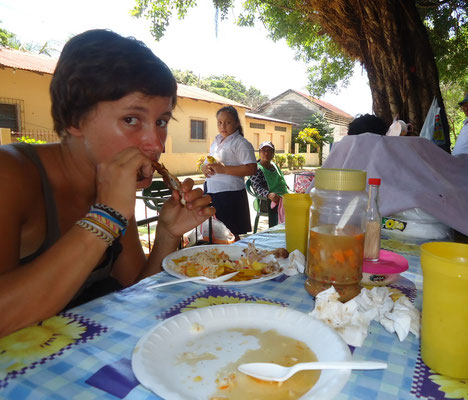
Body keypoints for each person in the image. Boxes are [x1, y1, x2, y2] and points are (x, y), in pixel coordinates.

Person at [0, 29, 215, 338]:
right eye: (131, 119)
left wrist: (167, 233)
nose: (156, 144)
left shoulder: (113, 189)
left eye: (161, 122)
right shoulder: (10, 175)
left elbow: (134, 289)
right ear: (75, 119)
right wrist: (105, 216)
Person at [201, 106, 257, 240]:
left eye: (228, 122)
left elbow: (252, 168)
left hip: (230, 193)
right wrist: (204, 168)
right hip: (212, 191)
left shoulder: (241, 143)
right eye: (219, 122)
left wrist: (224, 169)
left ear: (237, 123)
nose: (223, 126)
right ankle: (219, 258)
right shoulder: (216, 142)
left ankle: (235, 258)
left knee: (231, 232)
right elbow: (207, 161)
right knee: (215, 231)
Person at [249, 141, 290, 226]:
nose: (266, 153)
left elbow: (281, 181)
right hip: (266, 201)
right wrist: (268, 195)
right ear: (259, 153)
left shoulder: (274, 165)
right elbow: (257, 187)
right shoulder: (256, 168)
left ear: (273, 153)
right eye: (263, 150)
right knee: (292, 207)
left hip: (283, 197)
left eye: (269, 150)